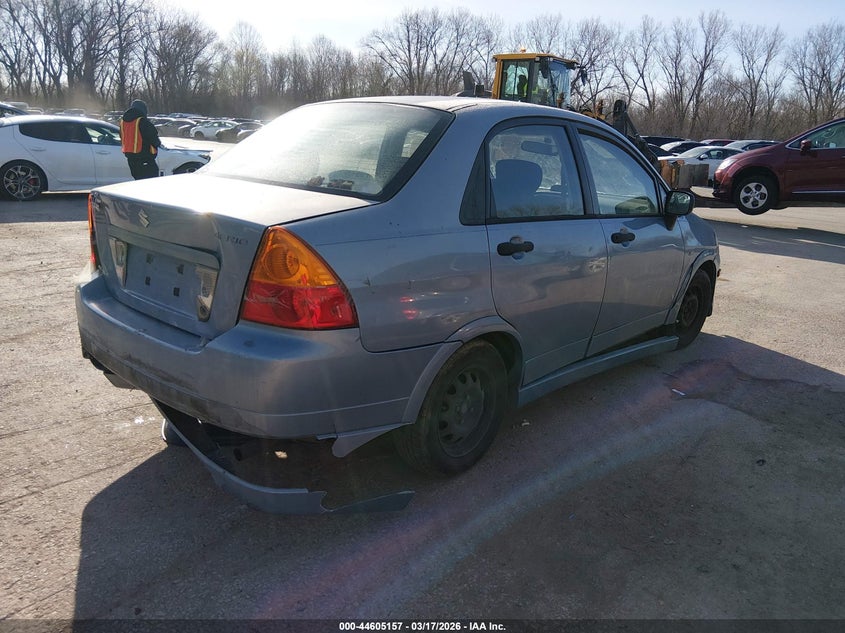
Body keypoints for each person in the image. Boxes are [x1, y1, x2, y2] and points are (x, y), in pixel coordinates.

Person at [119, 99, 161, 179]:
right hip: (145, 159)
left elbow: (122, 137)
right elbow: (154, 139)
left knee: (138, 180)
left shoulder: (123, 122)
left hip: (131, 160)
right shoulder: (143, 122)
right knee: (150, 182)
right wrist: (157, 143)